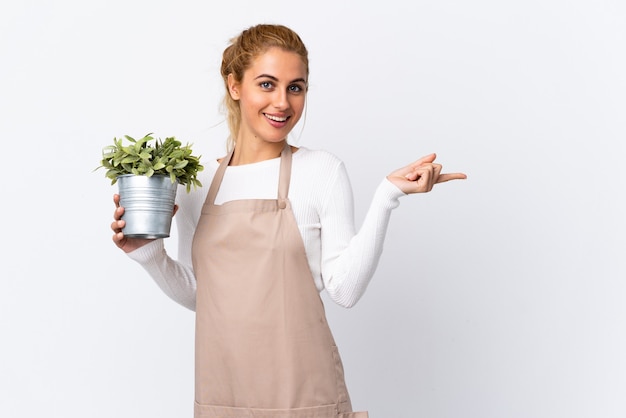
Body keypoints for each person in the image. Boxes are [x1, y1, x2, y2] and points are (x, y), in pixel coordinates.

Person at [110, 23, 466, 418]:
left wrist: (387, 196)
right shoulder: (200, 183)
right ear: (234, 86)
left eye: (295, 87)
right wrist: (150, 255)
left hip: (305, 399)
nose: (282, 102)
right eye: (267, 84)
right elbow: (202, 295)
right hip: (222, 400)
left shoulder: (321, 171)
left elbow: (345, 290)